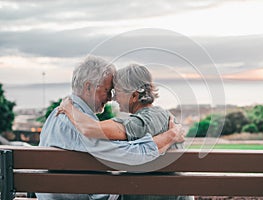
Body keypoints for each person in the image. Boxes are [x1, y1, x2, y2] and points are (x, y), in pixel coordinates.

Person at [36, 56, 185, 200]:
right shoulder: (76, 125)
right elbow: (133, 155)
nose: (110, 98)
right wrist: (171, 135)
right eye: (108, 90)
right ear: (88, 87)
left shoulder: (58, 114)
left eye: (114, 92)